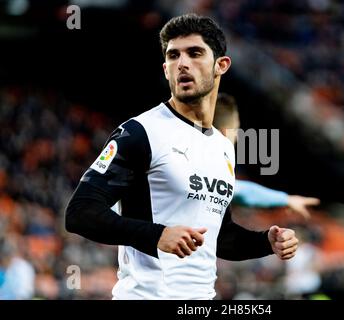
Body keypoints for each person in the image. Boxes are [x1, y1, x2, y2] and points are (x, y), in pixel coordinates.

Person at [65, 13, 299, 300]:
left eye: (195, 53)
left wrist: (266, 242)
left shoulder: (223, 147)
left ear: (221, 65)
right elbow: (80, 213)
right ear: (165, 69)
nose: (183, 64)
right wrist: (157, 234)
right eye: (173, 56)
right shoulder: (140, 132)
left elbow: (220, 238)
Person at [213, 93, 320, 219]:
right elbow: (243, 193)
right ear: (224, 132)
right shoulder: (208, 165)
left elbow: (238, 190)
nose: (237, 136)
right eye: (236, 130)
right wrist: (286, 199)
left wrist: (285, 199)